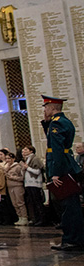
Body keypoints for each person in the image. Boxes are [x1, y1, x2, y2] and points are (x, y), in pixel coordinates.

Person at [42, 95, 82, 250]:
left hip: (62, 168)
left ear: (52, 108)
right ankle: (76, 238)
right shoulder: (63, 122)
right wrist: (46, 123)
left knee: (68, 207)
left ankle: (71, 239)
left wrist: (56, 173)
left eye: (46, 107)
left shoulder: (56, 124)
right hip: (68, 165)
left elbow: (57, 150)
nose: (45, 110)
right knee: (72, 205)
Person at [21, 145, 46, 227]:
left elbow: (37, 171)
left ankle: (42, 219)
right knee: (32, 203)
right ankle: (36, 219)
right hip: (28, 183)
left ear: (31, 151)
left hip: (35, 183)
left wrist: (27, 167)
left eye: (26, 149)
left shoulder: (35, 159)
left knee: (37, 202)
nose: (24, 151)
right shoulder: (26, 159)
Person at [3, 150, 29, 225]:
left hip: (17, 186)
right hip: (10, 186)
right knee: (14, 203)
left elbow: (22, 177)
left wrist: (13, 177)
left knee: (20, 202)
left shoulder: (17, 166)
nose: (8, 160)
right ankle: (19, 217)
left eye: (9, 158)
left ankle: (24, 217)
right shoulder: (6, 167)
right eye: (6, 158)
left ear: (13, 159)